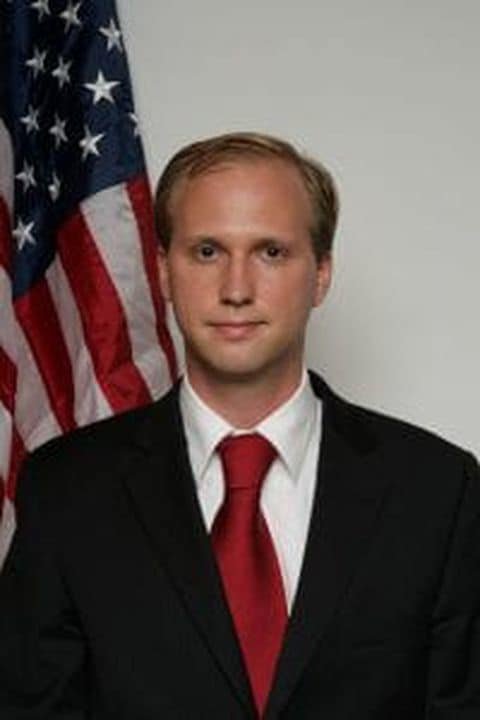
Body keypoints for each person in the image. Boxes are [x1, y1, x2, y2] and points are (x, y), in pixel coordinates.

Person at [0, 132, 478, 720]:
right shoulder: (66, 491)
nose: (236, 289)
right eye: (207, 252)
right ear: (164, 272)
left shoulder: (437, 490)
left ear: (321, 273)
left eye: (271, 252)